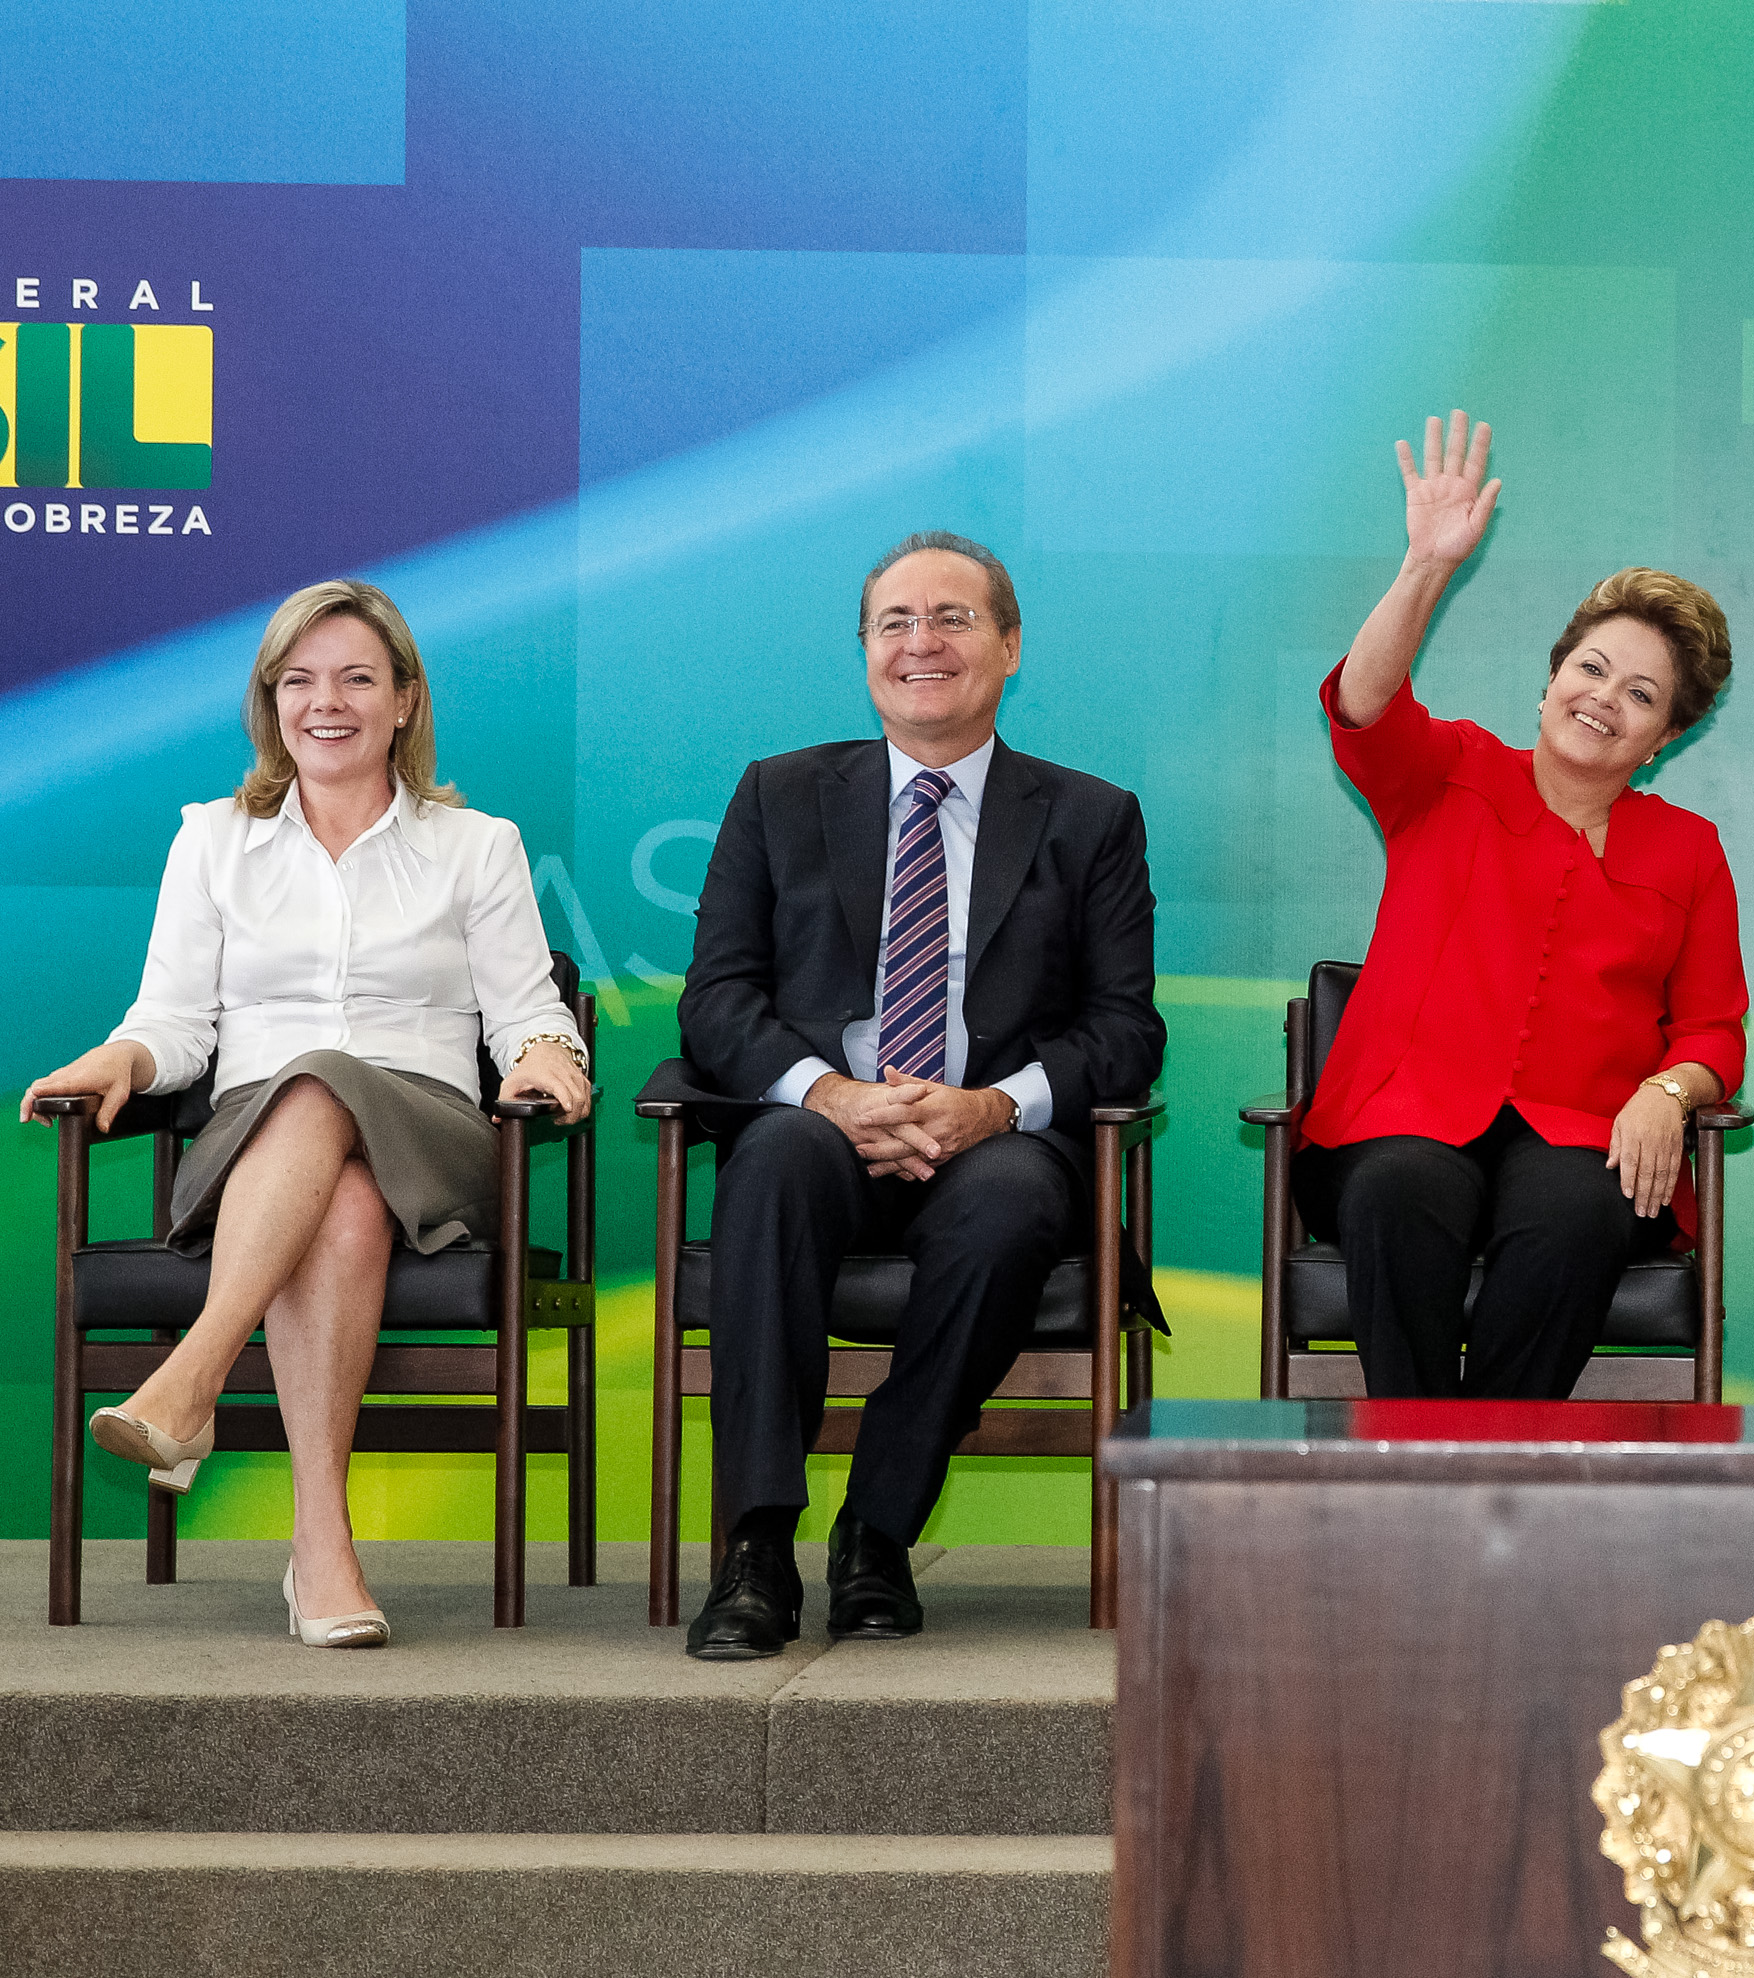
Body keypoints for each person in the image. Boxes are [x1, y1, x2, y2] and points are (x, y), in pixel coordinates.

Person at [20, 581, 593, 1649]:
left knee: (327, 1074)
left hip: (432, 1130)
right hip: (257, 1143)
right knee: (335, 1188)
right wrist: (119, 1056)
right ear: (271, 703)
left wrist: (550, 1057)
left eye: (357, 679)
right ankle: (321, 1550)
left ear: (405, 702)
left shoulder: (478, 845)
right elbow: (176, 1023)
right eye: (300, 681)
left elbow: (524, 1011)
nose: (326, 702)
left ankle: (191, 1375)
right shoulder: (211, 840)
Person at [671, 530, 1162, 1660]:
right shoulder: (779, 793)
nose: (921, 642)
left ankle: (877, 1527)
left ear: (1008, 645)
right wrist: (830, 1093)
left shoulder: (1088, 817)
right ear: (865, 653)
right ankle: (755, 1546)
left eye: (951, 617)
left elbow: (1126, 1028)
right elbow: (718, 1000)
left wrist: (995, 1104)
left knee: (1009, 1206)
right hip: (824, 1125)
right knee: (772, 1166)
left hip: (988, 1137)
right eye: (895, 622)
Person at [1294, 408, 1747, 1399]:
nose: (1602, 698)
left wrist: (1665, 1092)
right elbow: (1362, 705)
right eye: (1589, 668)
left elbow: (1713, 1029)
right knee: (1401, 1189)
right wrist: (1425, 566)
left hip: (1583, 1129)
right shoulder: (1446, 769)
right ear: (1549, 679)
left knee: (1579, 1213)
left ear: (1664, 737)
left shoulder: (1686, 849)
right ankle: (1419, 1469)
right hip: (1401, 1119)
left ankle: (1492, 1474)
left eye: (1640, 694)